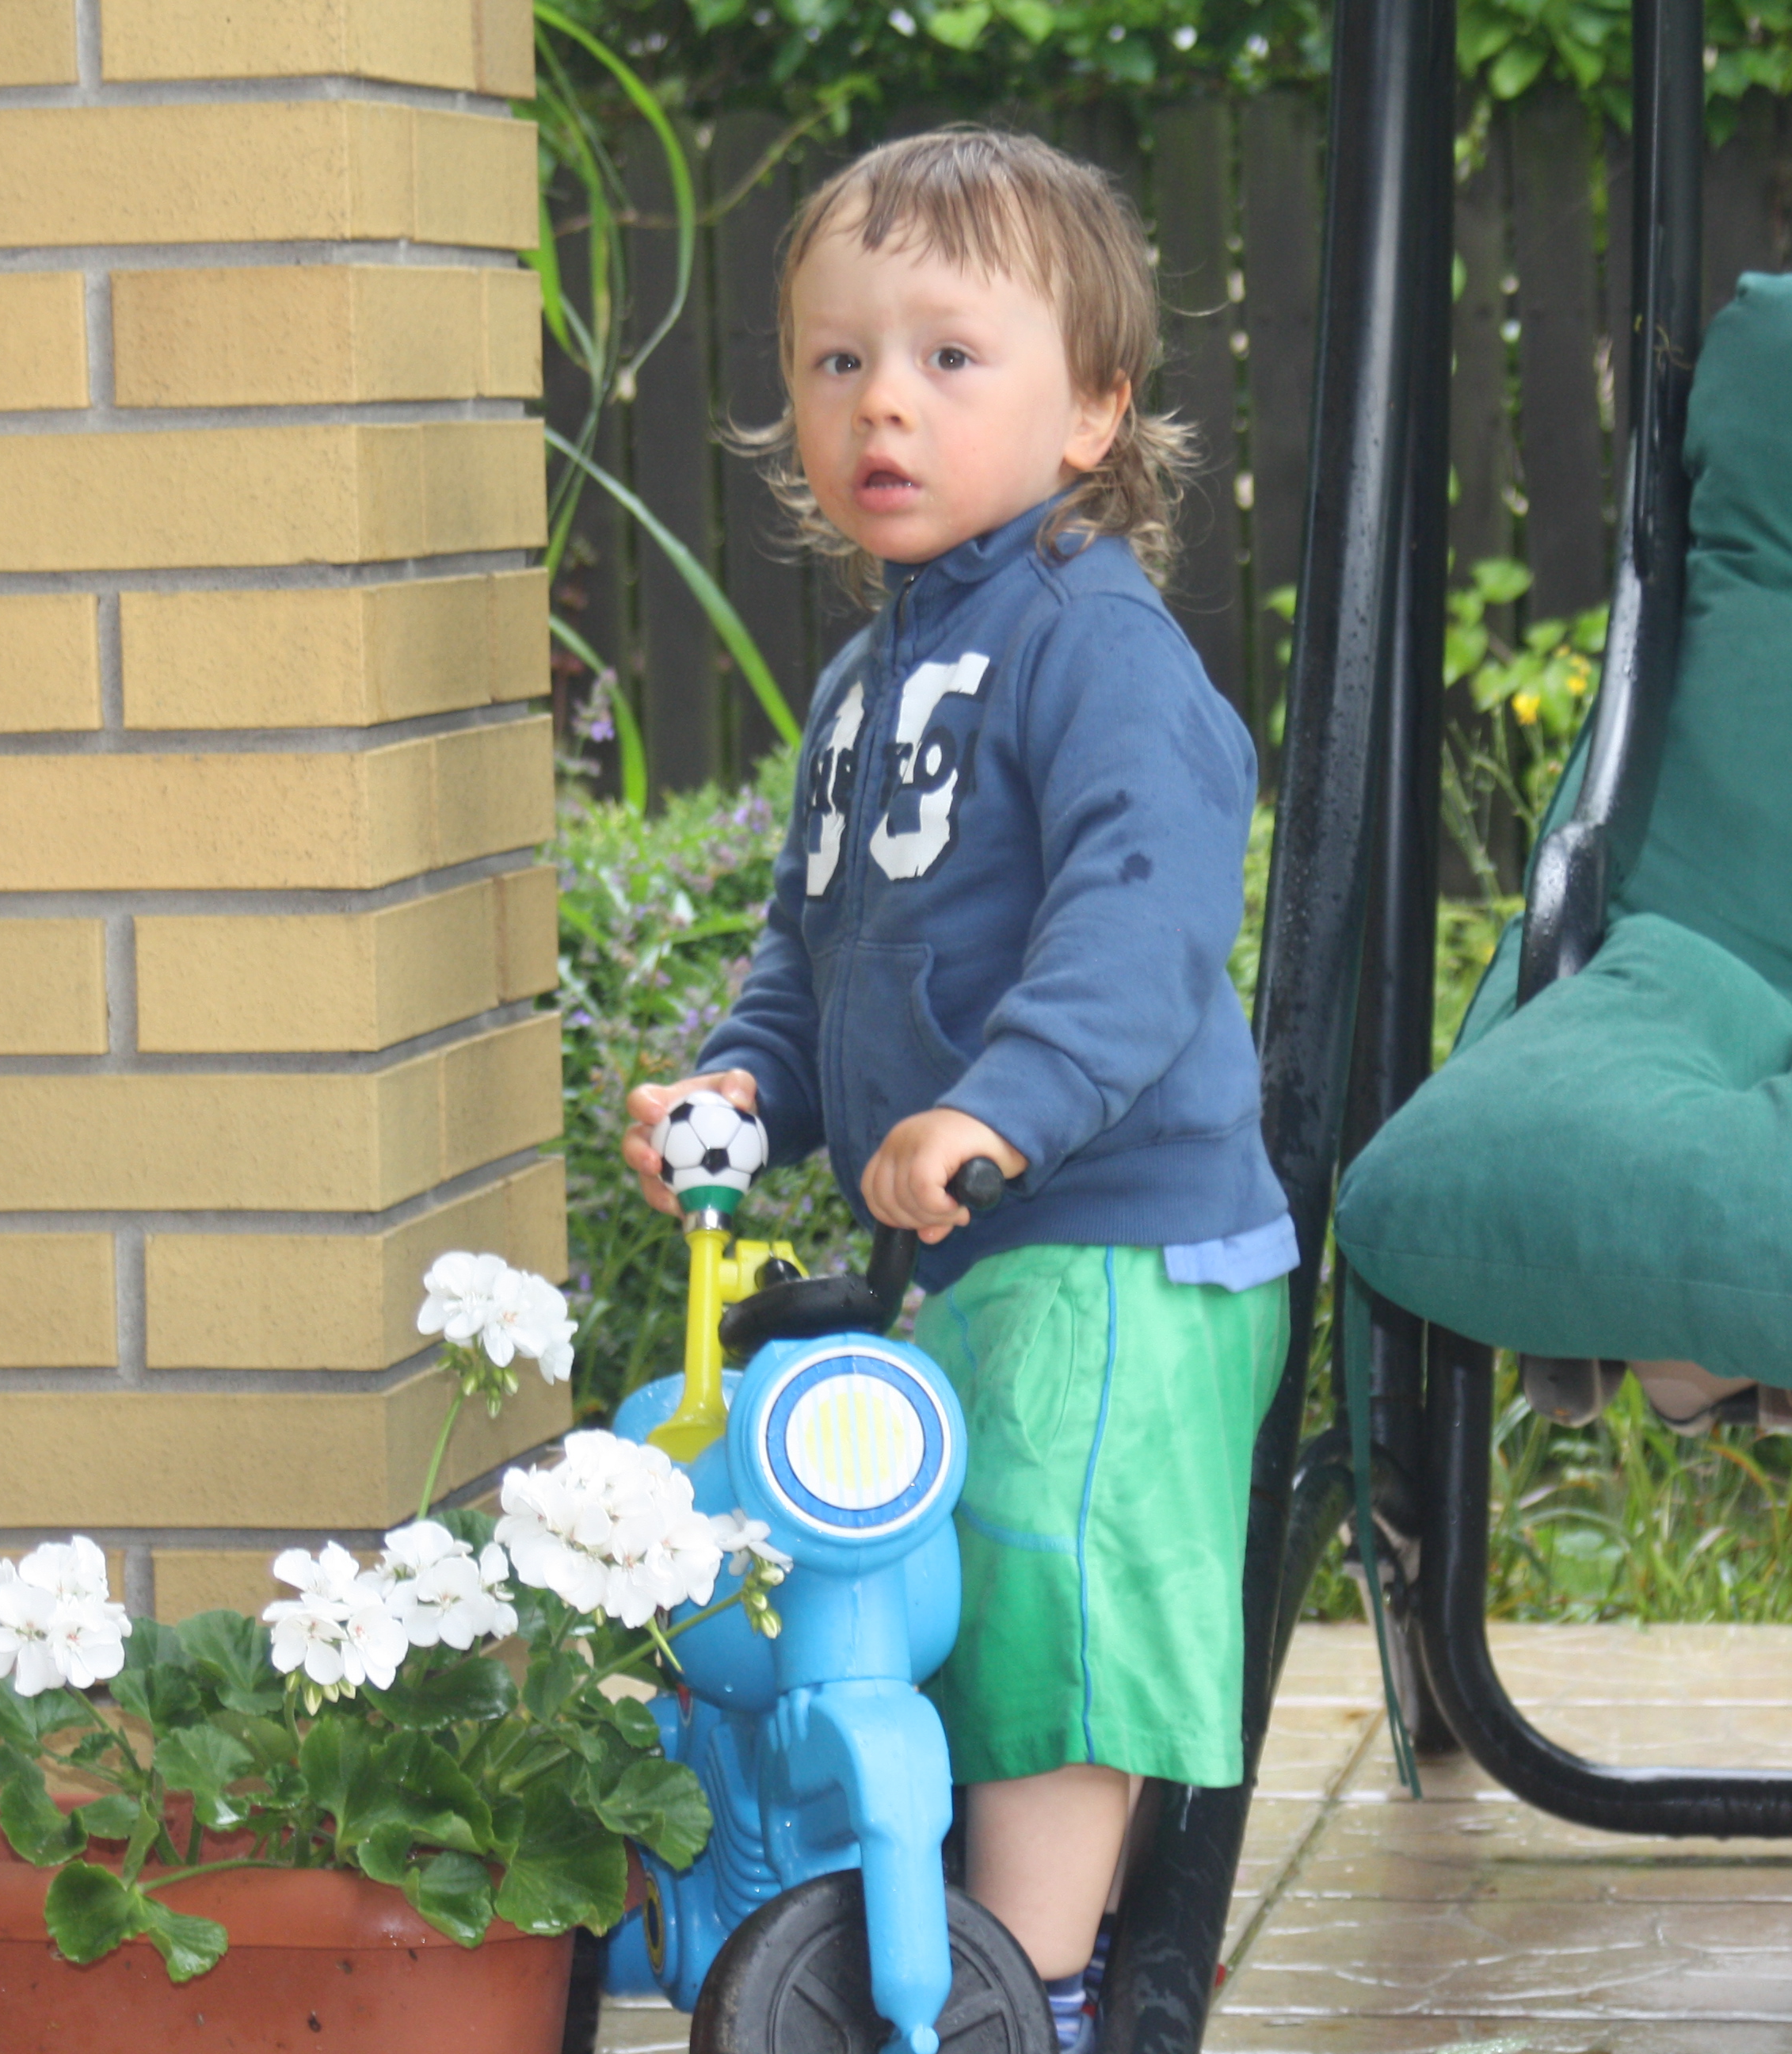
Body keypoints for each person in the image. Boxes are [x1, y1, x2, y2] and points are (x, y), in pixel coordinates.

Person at [619, 125, 1295, 2054]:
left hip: (1121, 1246)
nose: (881, 403)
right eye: (838, 361)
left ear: (1093, 411)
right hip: (984, 1258)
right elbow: (813, 953)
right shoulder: (865, 685)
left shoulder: (1098, 647)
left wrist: (1002, 1105)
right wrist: (743, 1094)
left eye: (946, 357)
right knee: (936, 1596)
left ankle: (1042, 1988)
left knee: (1049, 1607)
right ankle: (957, 1952)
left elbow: (1143, 919)